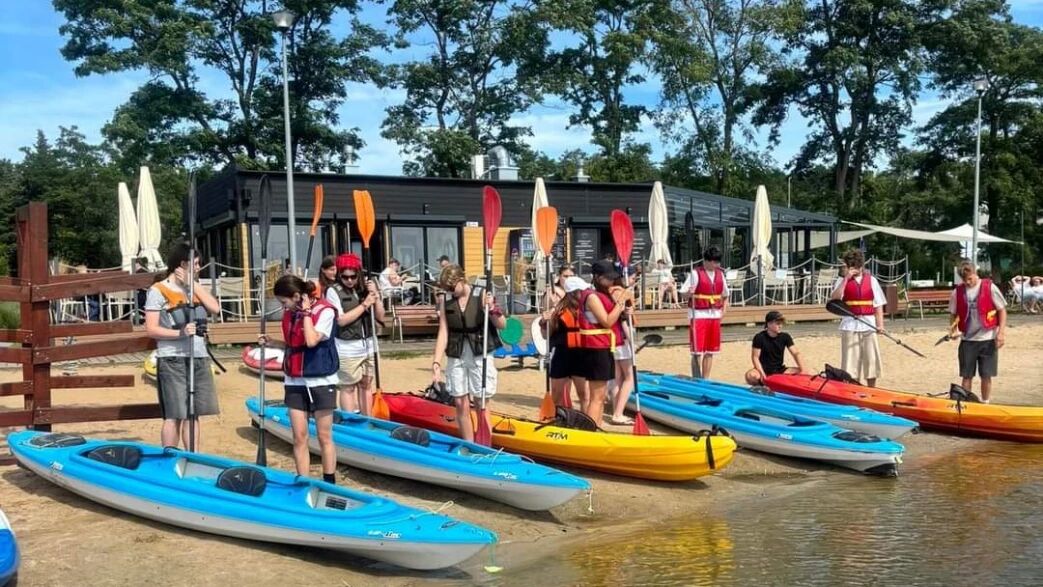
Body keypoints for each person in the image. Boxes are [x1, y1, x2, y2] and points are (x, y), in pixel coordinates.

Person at [144, 243, 222, 450]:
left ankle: (193, 456)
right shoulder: (158, 290)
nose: (198, 267)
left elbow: (215, 308)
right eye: (195, 264)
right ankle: (169, 457)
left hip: (198, 356)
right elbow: (151, 329)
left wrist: (192, 285)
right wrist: (179, 333)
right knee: (175, 414)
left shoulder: (195, 288)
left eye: (199, 263)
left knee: (193, 414)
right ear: (182, 264)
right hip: (172, 358)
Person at [269, 275, 339, 483]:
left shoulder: (325, 311)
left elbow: (310, 341)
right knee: (299, 437)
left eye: (284, 302)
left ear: (296, 296)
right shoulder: (290, 313)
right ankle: (303, 481)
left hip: (321, 380)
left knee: (324, 436)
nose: (283, 307)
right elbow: (294, 344)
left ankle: (329, 480)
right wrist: (273, 342)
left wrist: (307, 313)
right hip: (295, 381)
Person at [431, 264, 507, 442]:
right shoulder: (446, 300)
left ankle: (485, 446)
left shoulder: (481, 294)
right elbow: (443, 331)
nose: (449, 292)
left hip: (479, 352)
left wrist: (492, 308)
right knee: (460, 401)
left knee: (481, 401)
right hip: (457, 353)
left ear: (461, 280)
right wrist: (436, 361)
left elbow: (502, 324)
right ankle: (468, 443)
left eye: (451, 288)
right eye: (446, 289)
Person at [326, 253, 384, 414]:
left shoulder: (366, 288)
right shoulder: (333, 291)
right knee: (348, 386)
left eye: (353, 277)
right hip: (347, 347)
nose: (350, 280)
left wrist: (376, 297)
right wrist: (365, 304)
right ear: (339, 275)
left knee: (366, 384)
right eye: (345, 277)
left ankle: (368, 419)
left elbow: (380, 317)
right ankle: (350, 420)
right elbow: (340, 320)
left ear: (358, 274)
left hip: (369, 344)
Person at [576, 260, 632, 425]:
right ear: (597, 277)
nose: (611, 281)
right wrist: (620, 303)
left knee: (600, 397)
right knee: (597, 397)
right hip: (596, 349)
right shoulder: (592, 296)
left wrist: (625, 308)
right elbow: (607, 321)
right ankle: (591, 429)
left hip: (604, 347)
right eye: (608, 278)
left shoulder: (603, 294)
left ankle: (597, 426)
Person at [948, 260, 1007, 403]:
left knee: (986, 375)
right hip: (967, 340)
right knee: (966, 375)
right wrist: (953, 330)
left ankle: (985, 402)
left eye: (970, 278)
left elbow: (1002, 310)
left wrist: (1001, 333)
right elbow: (953, 314)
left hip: (988, 338)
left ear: (975, 273)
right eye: (964, 280)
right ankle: (965, 404)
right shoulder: (957, 292)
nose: (967, 282)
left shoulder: (990, 287)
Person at [830, 248, 886, 387]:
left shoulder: (871, 280)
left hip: (868, 324)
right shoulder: (842, 281)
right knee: (850, 362)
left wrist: (880, 325)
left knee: (871, 360)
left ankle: (872, 389)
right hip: (850, 325)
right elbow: (834, 299)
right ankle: (852, 388)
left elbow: (878, 305)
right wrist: (846, 279)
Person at [544, 275, 590, 412]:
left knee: (584, 395)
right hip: (561, 355)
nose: (585, 293)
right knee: (556, 395)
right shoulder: (557, 311)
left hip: (581, 355)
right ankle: (557, 419)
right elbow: (546, 335)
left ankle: (585, 421)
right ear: (573, 293)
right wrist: (547, 321)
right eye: (581, 291)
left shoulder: (587, 308)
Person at [682, 247, 729, 379]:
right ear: (706, 261)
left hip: (714, 315)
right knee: (697, 351)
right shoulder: (695, 274)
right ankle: (696, 378)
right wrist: (689, 293)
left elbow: (726, 295)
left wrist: (723, 311)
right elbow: (683, 294)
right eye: (714, 262)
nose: (716, 265)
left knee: (710, 350)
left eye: (717, 262)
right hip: (698, 315)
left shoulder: (720, 274)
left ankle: (706, 379)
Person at [744, 311, 806, 385]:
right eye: (778, 324)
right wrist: (762, 373)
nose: (780, 326)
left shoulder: (785, 337)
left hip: (779, 369)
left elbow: (795, 353)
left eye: (781, 324)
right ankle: (763, 385)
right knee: (750, 376)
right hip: (763, 369)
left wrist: (803, 369)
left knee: (808, 372)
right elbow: (755, 357)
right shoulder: (759, 337)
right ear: (769, 324)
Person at [608, 273, 636, 426]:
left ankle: (616, 411)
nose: (633, 280)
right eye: (632, 277)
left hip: (611, 339)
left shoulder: (607, 292)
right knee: (629, 377)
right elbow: (623, 320)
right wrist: (632, 342)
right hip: (621, 339)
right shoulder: (620, 293)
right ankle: (618, 413)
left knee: (617, 378)